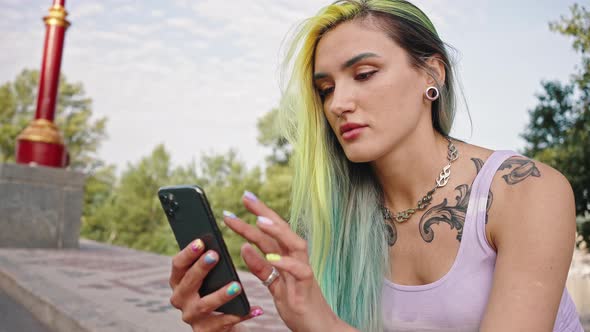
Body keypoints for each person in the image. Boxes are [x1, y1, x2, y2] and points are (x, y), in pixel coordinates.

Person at [168, 0, 584, 331]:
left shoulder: (525, 190)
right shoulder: (332, 226)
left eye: (364, 74)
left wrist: (324, 326)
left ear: (431, 74)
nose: (338, 103)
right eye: (325, 89)